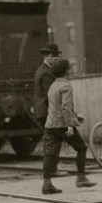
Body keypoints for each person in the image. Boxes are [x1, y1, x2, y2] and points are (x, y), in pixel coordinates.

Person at [42, 59, 96, 194]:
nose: (71, 71)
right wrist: (70, 125)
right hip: (62, 125)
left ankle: (47, 184)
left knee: (50, 154)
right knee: (81, 148)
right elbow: (65, 108)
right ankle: (81, 178)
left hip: (50, 124)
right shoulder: (66, 86)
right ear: (66, 71)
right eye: (70, 68)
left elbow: (56, 107)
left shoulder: (53, 85)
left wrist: (75, 116)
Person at [33, 42, 67, 177]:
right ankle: (51, 170)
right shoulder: (47, 73)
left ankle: (51, 170)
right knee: (54, 141)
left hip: (43, 111)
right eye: (56, 57)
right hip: (48, 111)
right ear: (51, 56)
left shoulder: (40, 70)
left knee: (51, 140)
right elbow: (52, 94)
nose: (57, 60)